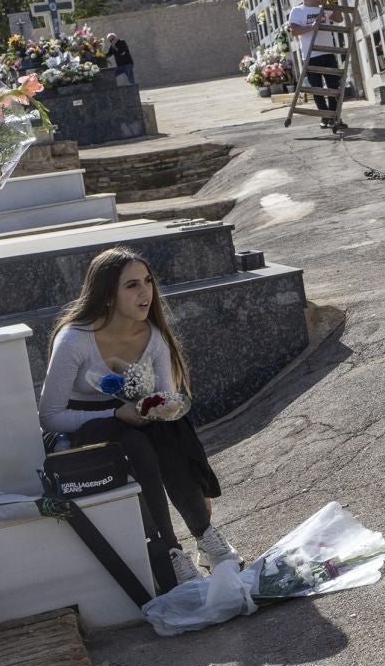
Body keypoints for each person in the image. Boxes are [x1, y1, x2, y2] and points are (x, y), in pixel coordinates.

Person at [38, 247, 238, 594]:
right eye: (131, 285)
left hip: (136, 423)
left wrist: (159, 409)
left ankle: (204, 533)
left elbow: (165, 401)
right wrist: (114, 413)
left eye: (147, 281)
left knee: (170, 428)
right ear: (107, 294)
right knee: (135, 445)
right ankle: (170, 551)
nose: (145, 292)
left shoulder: (154, 337)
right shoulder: (74, 340)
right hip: (84, 428)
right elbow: (49, 418)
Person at [288, 0, 341, 129]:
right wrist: (312, 26)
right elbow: (294, 31)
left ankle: (334, 116)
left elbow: (339, 18)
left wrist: (329, 0)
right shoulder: (297, 10)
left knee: (333, 87)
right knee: (316, 89)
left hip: (328, 52)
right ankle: (324, 117)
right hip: (311, 55)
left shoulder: (323, 8)